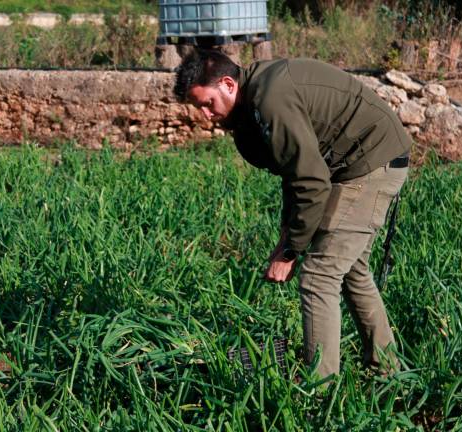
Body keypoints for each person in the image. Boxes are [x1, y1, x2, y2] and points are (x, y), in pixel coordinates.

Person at [173, 50, 412, 379]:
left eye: (207, 103)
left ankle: (320, 391)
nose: (205, 115)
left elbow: (311, 182)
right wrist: (287, 236)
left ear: (228, 84)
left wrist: (291, 251)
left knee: (318, 275)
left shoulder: (271, 99)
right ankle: (388, 373)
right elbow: (293, 174)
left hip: (370, 163)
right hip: (353, 164)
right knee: (352, 271)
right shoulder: (256, 100)